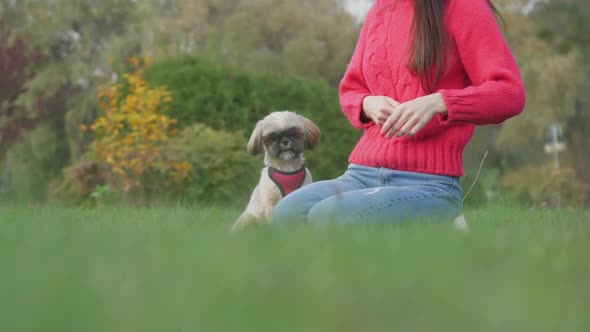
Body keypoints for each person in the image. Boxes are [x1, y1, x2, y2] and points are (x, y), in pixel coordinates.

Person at [272, 0, 526, 225]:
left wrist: (441, 102)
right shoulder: (381, 8)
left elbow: (510, 94)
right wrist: (366, 103)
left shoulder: (464, 6)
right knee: (286, 213)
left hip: (429, 183)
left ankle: (444, 223)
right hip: (361, 174)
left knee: (328, 216)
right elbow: (350, 89)